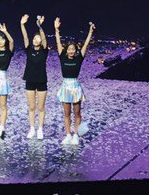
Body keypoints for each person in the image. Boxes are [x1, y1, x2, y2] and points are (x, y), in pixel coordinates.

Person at [55, 18, 95, 146]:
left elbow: (86, 44)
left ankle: (76, 135)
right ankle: (68, 135)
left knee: (77, 112)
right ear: (66, 50)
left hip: (75, 87)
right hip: (65, 87)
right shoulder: (62, 56)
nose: (71, 51)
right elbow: (58, 42)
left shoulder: (78, 58)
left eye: (73, 49)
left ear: (75, 50)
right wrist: (56, 29)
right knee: (67, 113)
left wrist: (90, 32)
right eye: (69, 49)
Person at [20, 13, 50, 139]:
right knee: (32, 107)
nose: (36, 40)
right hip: (30, 80)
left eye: (38, 38)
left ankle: (40, 129)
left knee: (41, 107)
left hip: (41, 80)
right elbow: (25, 37)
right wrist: (22, 24)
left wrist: (39, 27)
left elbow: (44, 40)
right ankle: (32, 128)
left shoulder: (44, 50)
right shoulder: (29, 50)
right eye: (34, 38)